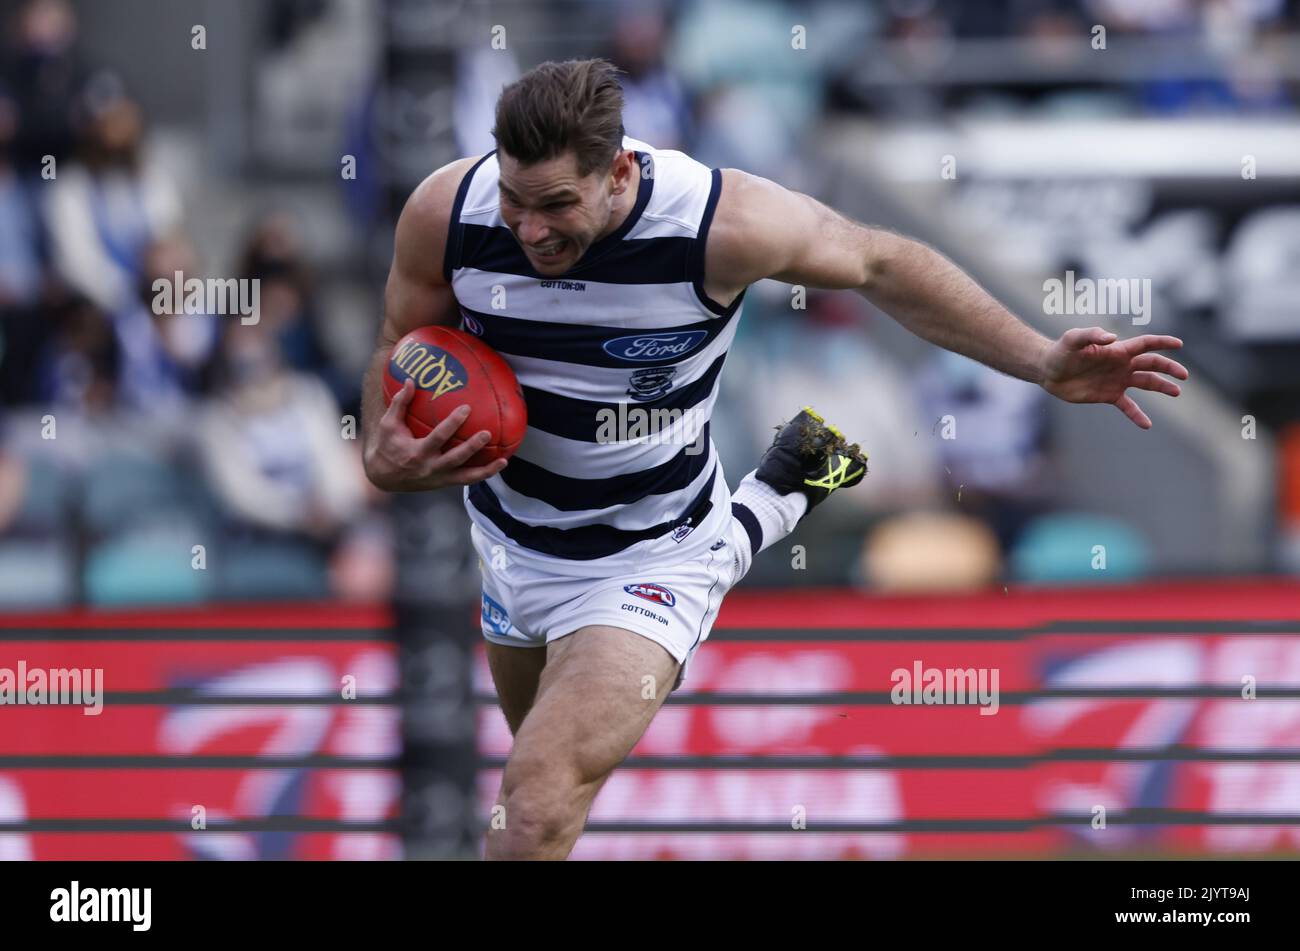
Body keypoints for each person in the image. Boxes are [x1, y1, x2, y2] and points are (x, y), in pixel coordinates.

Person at [359, 59, 1188, 860]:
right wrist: (381, 450)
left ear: (618, 173)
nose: (530, 227)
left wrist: (1041, 360)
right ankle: (760, 511)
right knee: (547, 804)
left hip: (649, 558)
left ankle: (720, 540)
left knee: (531, 811)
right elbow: (401, 341)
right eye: (514, 198)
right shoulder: (449, 210)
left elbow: (881, 261)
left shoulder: (722, 223)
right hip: (509, 542)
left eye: (555, 204)